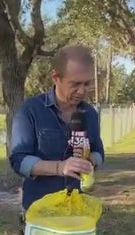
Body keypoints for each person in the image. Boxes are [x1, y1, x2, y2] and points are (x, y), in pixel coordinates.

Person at [9, 45, 105, 220]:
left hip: (78, 211)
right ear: (56, 77)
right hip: (40, 212)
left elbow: (99, 152)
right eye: (75, 84)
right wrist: (60, 168)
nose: (82, 91)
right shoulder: (30, 110)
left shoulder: (90, 114)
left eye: (87, 83)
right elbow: (18, 160)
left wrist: (91, 161)